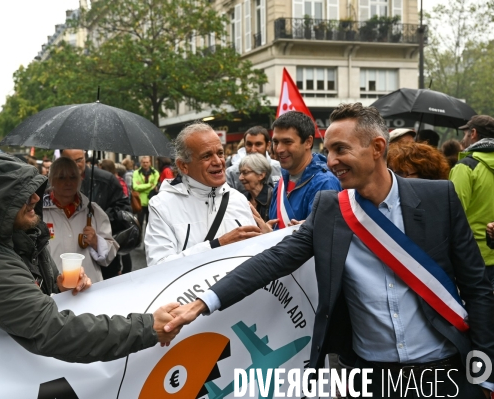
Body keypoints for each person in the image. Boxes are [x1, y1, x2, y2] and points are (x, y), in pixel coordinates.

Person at [166, 104, 494, 398]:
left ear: (377, 148)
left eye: (340, 149)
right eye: (328, 149)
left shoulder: (440, 198)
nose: (331, 161)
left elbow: (477, 288)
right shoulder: (331, 209)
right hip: (371, 378)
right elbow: (274, 260)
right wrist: (202, 303)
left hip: (444, 370)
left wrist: (486, 371)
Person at [0, 153, 181, 363]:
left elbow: (36, 294)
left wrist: (57, 284)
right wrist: (148, 328)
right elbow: (52, 329)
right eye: (22, 195)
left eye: (34, 191)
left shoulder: (22, 237)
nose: (35, 199)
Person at [145, 122, 263, 266]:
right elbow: (158, 266)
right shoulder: (161, 205)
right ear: (183, 165)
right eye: (207, 156)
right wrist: (216, 246)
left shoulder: (238, 199)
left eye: (220, 153)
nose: (218, 161)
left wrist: (269, 239)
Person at [43, 157, 119, 283]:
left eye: (73, 177)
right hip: (53, 291)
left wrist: (96, 242)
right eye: (61, 177)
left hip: (89, 289)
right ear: (51, 180)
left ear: (80, 179)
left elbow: (110, 256)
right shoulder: (40, 213)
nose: (68, 182)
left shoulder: (93, 211)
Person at [268, 111, 341, 227]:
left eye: (287, 142)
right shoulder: (281, 183)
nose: (279, 149)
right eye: (275, 142)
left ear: (308, 142)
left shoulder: (325, 184)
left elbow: (326, 238)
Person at [449, 115, 494, 289]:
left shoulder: (466, 168)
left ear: (473, 133)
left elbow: (453, 213)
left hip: (473, 258)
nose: (463, 138)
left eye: (466, 133)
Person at [60, 149, 130, 212]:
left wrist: (98, 220)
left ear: (85, 158)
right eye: (69, 161)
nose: (74, 165)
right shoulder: (54, 183)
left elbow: (123, 210)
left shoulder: (106, 180)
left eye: (79, 160)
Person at [225, 126, 282, 194]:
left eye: (258, 144)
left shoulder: (279, 168)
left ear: (268, 145)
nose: (253, 149)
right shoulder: (232, 173)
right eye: (249, 144)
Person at [239, 153, 274, 222]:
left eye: (245, 172)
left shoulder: (275, 198)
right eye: (240, 173)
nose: (240, 178)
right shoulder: (242, 199)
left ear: (261, 175)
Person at [132, 156, 159, 230]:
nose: (145, 164)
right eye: (144, 162)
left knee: (150, 224)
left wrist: (141, 186)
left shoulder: (155, 173)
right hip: (140, 201)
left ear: (150, 163)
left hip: (151, 200)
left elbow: (155, 185)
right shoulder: (136, 173)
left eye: (147, 162)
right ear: (141, 163)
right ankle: (138, 240)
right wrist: (150, 185)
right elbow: (135, 187)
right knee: (138, 224)